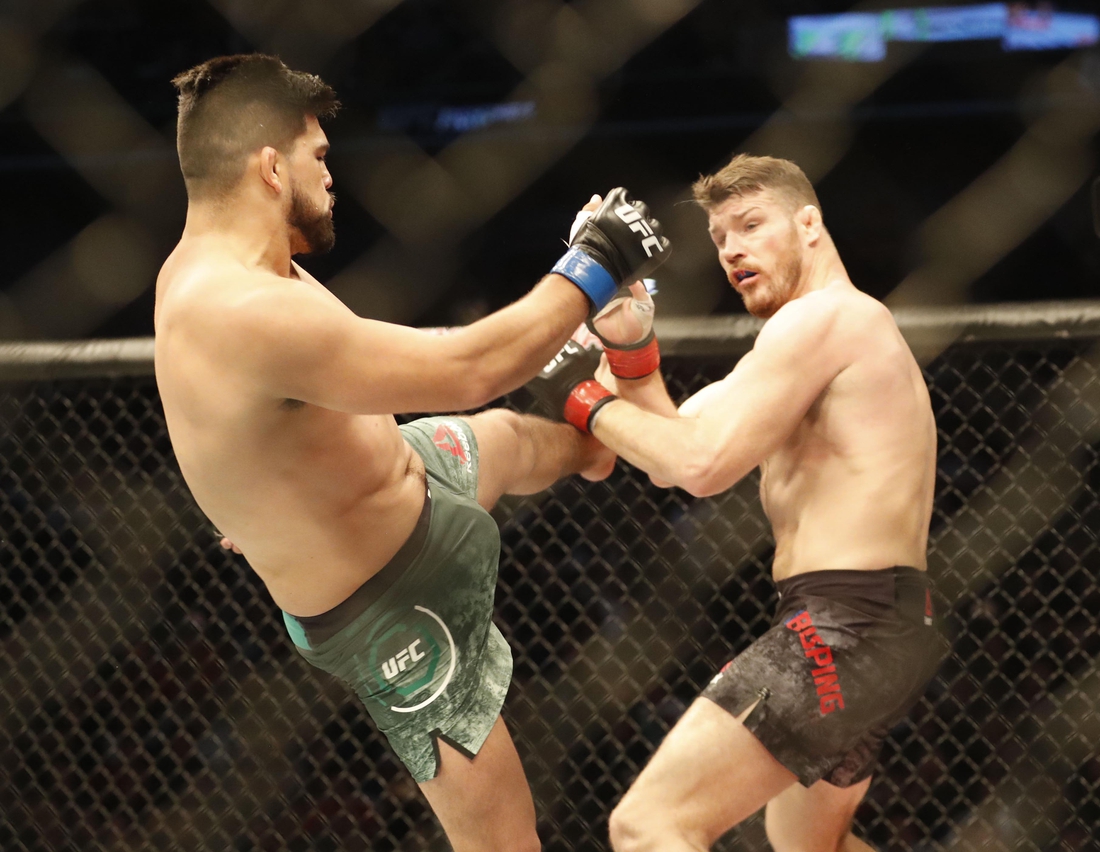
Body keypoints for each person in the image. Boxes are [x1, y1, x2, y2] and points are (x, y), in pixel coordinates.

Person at [153, 53, 669, 852]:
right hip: (391, 607)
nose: (331, 178)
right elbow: (465, 369)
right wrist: (593, 264)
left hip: (410, 468)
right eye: (318, 156)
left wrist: (243, 498)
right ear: (266, 166)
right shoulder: (236, 306)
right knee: (503, 840)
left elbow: (225, 416)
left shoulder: (237, 271)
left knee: (516, 438)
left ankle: (601, 418)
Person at [529, 153, 948, 852]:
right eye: (721, 238)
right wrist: (629, 338)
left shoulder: (828, 319)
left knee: (648, 826)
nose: (733, 251)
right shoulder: (805, 343)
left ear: (810, 225)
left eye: (752, 226)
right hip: (877, 623)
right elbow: (674, 445)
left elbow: (699, 466)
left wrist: (576, 389)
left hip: (845, 622)